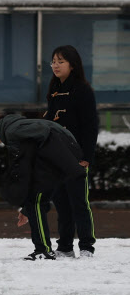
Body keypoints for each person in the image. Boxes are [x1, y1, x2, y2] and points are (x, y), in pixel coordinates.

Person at [0, 111, 86, 260]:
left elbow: (25, 165)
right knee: (37, 200)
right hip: (62, 154)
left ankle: (43, 250)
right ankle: (52, 248)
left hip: (58, 155)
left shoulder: (12, 132)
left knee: (36, 201)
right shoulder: (13, 128)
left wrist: (21, 197)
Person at [44, 45, 98, 258]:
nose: (55, 65)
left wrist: (86, 157)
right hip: (55, 156)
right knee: (62, 204)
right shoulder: (54, 88)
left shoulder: (82, 90)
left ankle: (86, 246)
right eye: (53, 61)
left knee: (79, 203)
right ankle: (65, 246)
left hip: (75, 157)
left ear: (72, 65)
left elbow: (90, 126)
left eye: (60, 61)